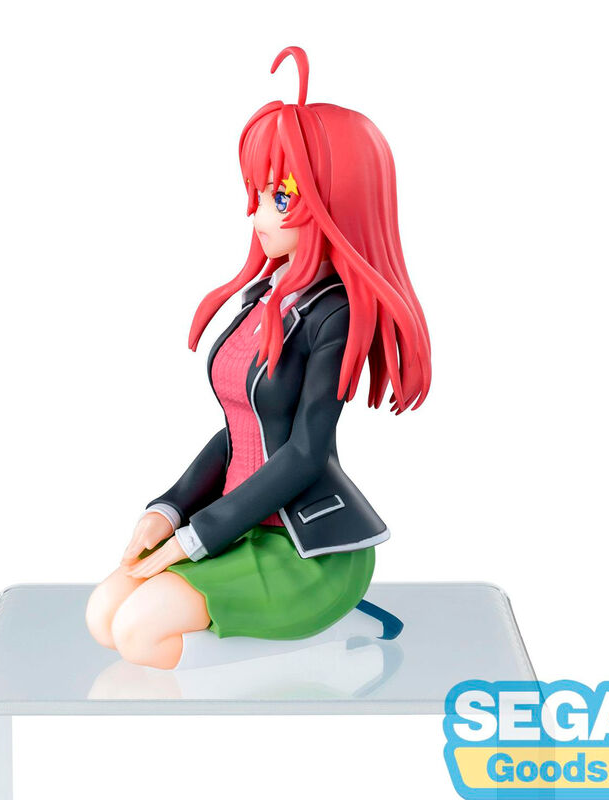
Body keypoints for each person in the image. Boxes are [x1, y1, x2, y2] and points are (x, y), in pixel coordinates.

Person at [86, 46, 431, 669]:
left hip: (305, 546)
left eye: (282, 198)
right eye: (258, 194)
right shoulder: (262, 298)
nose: (258, 214)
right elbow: (240, 428)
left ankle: (287, 671)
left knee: (137, 630)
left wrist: (196, 537)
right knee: (104, 614)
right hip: (234, 523)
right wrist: (169, 508)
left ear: (336, 201)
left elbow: (304, 452)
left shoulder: (335, 313)